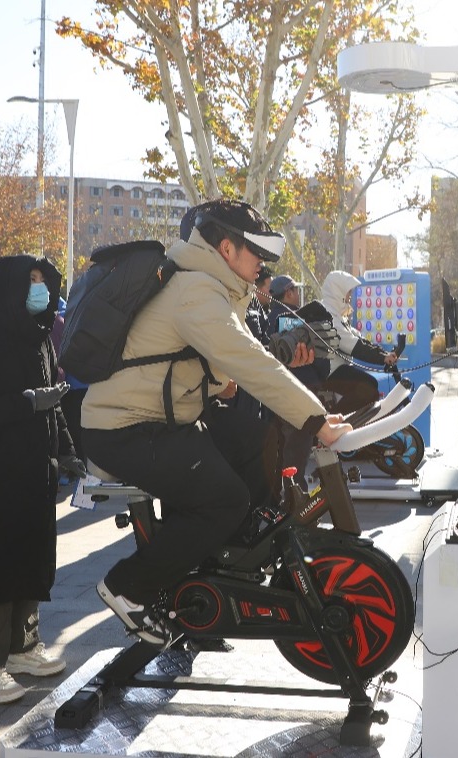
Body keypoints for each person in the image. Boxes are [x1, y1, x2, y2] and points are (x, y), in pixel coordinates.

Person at [82, 199, 350, 646]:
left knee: (250, 453)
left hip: (163, 419)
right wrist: (317, 422)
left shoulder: (212, 286)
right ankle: (128, 586)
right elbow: (251, 364)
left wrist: (224, 384)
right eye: (257, 255)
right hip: (123, 428)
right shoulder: (197, 292)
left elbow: (225, 365)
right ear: (227, 248)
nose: (262, 267)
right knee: (225, 500)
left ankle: (220, 569)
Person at [0, 256, 84, 704]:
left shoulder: (42, 339)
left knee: (28, 561)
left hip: (33, 474)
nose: (39, 290)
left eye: (44, 282)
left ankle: (21, 648)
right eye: (31, 282)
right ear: (8, 288)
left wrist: (67, 452)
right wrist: (24, 402)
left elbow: (54, 404)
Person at [318, 270, 401, 415]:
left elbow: (359, 339)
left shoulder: (337, 314)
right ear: (338, 291)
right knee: (368, 388)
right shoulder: (328, 315)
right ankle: (332, 423)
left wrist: (384, 353)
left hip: (338, 369)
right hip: (330, 371)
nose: (349, 297)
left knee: (369, 387)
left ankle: (342, 423)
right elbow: (353, 346)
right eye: (348, 292)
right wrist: (382, 358)